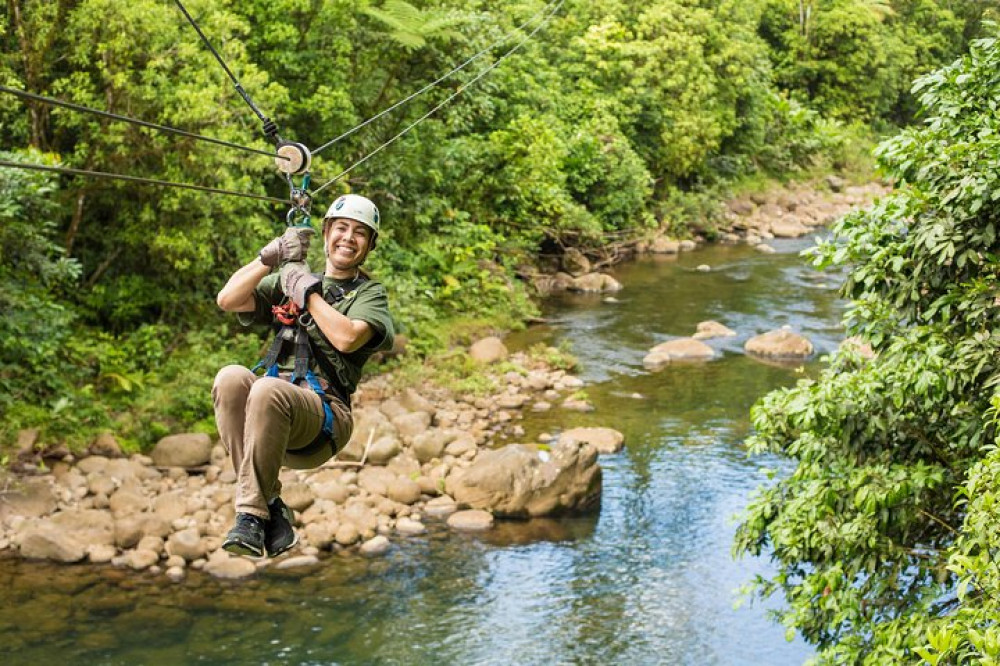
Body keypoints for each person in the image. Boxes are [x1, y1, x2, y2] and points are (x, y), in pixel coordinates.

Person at [213, 194, 395, 557]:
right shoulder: (291, 280)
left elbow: (345, 338)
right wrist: (270, 259)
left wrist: (304, 291)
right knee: (231, 377)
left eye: (360, 233)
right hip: (271, 420)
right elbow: (228, 299)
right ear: (326, 233)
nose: (348, 238)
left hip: (325, 419)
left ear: (369, 246)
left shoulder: (369, 294)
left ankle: (249, 515)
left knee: (267, 389)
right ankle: (271, 508)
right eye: (341, 228)